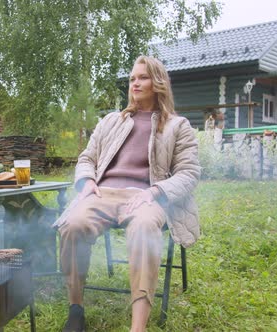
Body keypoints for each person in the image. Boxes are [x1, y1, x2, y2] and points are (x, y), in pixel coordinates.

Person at [53, 55, 201, 332]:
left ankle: (138, 327)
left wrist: (157, 191)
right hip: (102, 193)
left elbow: (189, 173)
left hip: (146, 197)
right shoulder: (111, 121)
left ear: (157, 83)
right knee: (71, 225)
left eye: (142, 77)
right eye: (132, 78)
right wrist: (86, 181)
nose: (135, 83)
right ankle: (76, 309)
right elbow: (87, 158)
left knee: (145, 228)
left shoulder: (177, 126)